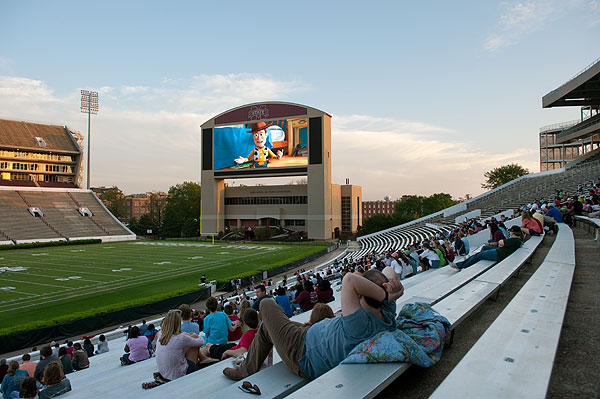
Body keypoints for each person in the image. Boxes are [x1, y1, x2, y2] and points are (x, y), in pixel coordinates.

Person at [222, 267, 404, 381]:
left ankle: (247, 369)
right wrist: (389, 291)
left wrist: (387, 293)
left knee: (266, 304)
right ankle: (249, 367)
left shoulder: (359, 323)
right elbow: (388, 269)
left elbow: (349, 279)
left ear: (360, 294)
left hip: (301, 352)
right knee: (267, 328)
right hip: (309, 335)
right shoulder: (385, 312)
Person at [155, 310, 205, 381]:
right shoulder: (181, 338)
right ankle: (202, 361)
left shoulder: (160, 334)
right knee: (193, 346)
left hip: (163, 374)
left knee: (186, 345)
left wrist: (186, 335)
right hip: (177, 376)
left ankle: (204, 358)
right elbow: (201, 342)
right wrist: (194, 335)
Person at [452, 226, 523, 270]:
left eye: (511, 231)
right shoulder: (517, 240)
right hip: (499, 252)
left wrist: (501, 243)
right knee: (481, 253)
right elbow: (500, 243)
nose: (509, 233)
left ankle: (460, 265)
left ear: (513, 232)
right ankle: (463, 264)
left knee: (478, 255)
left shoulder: (515, 240)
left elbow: (500, 242)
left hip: (499, 254)